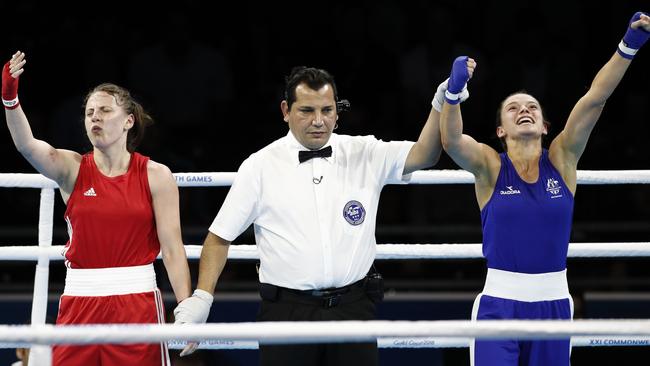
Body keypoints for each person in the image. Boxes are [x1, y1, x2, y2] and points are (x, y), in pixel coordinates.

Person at [173, 66, 469, 365]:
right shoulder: (260, 166)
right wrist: (202, 298)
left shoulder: (364, 151)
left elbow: (425, 155)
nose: (318, 121)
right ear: (285, 111)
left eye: (327, 110)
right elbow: (220, 237)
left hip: (353, 309)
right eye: (307, 111)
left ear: (337, 112)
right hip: (286, 313)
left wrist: (443, 102)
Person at [439, 11, 650, 366]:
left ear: (545, 126)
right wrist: (453, 93)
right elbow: (452, 141)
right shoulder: (491, 166)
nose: (524, 109)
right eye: (513, 108)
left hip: (554, 303)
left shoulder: (563, 160)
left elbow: (594, 100)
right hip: (498, 306)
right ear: (501, 130)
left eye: (532, 106)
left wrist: (627, 47)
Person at [2, 51, 192, 365]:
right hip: (80, 301)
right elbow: (26, 145)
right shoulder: (72, 169)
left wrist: (185, 309)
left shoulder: (156, 175)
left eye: (104, 110)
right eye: (90, 112)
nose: (95, 117)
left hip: (137, 302)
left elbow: (172, 248)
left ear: (129, 121)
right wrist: (10, 99)